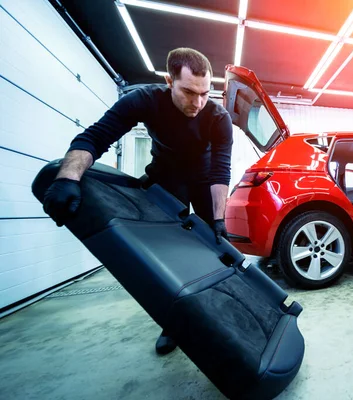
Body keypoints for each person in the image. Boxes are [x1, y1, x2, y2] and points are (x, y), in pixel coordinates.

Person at [42, 48, 233, 355]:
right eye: (188, 92)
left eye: (204, 93)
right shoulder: (143, 100)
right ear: (169, 80)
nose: (197, 103)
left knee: (216, 249)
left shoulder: (217, 116)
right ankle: (175, 324)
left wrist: (219, 219)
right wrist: (67, 178)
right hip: (165, 178)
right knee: (171, 258)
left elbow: (221, 169)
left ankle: (222, 311)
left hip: (204, 179)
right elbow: (95, 137)